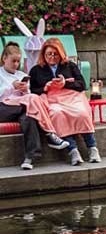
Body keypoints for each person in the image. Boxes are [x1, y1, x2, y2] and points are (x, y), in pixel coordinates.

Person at [28, 38, 101, 165]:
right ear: (43, 55)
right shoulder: (36, 70)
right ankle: (73, 150)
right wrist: (45, 87)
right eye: (48, 54)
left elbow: (81, 84)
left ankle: (92, 148)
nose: (52, 57)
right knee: (57, 114)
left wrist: (64, 83)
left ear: (61, 53)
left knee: (81, 113)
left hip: (71, 98)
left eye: (55, 54)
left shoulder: (70, 65)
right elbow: (33, 90)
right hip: (51, 100)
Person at [0, 42, 70, 170]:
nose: (16, 64)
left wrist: (25, 90)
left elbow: (29, 95)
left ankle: (29, 158)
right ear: (4, 58)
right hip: (3, 108)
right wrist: (12, 87)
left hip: (22, 108)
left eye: (18, 61)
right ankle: (50, 134)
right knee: (33, 100)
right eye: (13, 61)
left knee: (30, 117)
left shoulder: (21, 75)